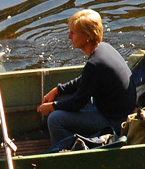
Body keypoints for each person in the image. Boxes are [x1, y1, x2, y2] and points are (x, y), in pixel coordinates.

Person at [37, 9, 137, 150]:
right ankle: (72, 140)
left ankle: (62, 154)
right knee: (61, 98)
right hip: (106, 107)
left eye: (73, 32)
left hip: (114, 119)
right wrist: (57, 90)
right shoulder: (103, 48)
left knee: (55, 119)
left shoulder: (95, 63)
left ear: (88, 36)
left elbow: (77, 102)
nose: (69, 37)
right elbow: (85, 80)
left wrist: (52, 107)